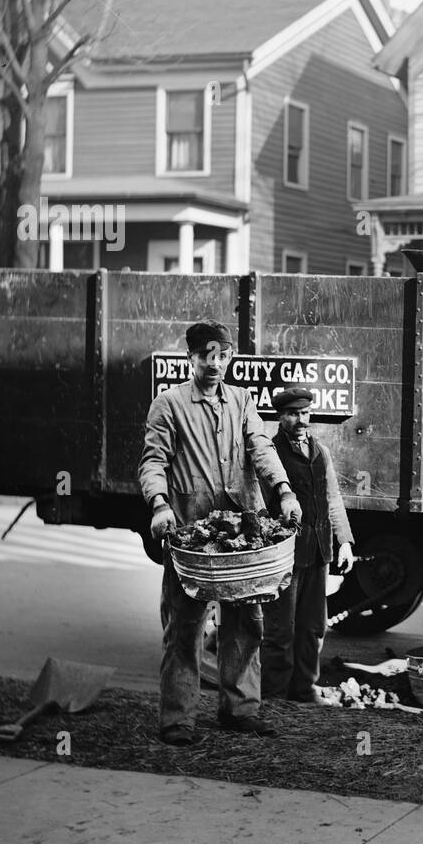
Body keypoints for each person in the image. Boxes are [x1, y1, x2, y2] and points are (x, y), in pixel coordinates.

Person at [139, 320, 301, 746]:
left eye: (222, 356)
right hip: (191, 536)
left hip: (246, 535)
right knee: (185, 624)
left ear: (230, 357)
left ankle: (240, 709)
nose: (213, 364)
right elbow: (153, 462)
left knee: (247, 622)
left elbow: (261, 449)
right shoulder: (169, 405)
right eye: (205, 355)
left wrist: (283, 491)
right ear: (190, 357)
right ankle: (177, 718)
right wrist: (159, 505)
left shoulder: (243, 401)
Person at [261, 386, 355, 703]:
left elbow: (332, 498)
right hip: (285, 556)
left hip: (318, 552)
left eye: (304, 413)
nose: (300, 420)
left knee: (313, 627)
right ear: (280, 417)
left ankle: (302, 689)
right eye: (292, 414)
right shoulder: (271, 454)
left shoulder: (320, 452)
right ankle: (274, 693)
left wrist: (344, 541)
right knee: (279, 630)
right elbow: (261, 505)